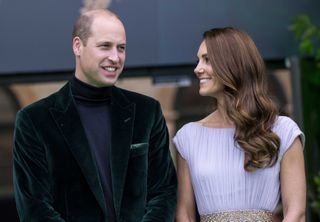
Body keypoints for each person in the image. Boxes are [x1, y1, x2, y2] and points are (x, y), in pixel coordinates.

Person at [13, 9, 177, 222]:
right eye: (105, 46)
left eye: (121, 48)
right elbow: (34, 207)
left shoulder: (147, 112)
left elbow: (164, 192)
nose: (115, 57)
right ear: (77, 46)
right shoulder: (33, 120)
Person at [173, 27, 306, 222]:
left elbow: (296, 212)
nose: (197, 68)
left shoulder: (283, 131)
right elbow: (184, 214)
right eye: (198, 60)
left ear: (232, 64)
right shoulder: (188, 137)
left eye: (207, 59)